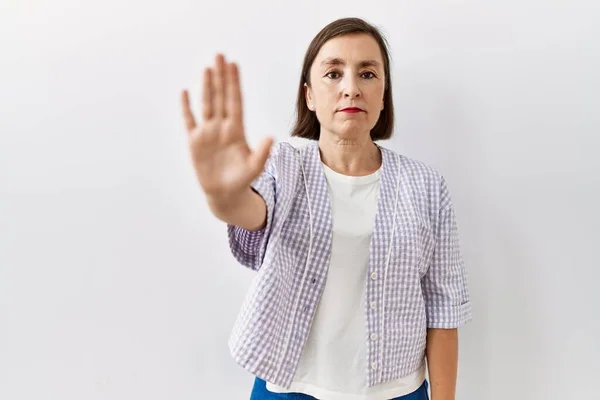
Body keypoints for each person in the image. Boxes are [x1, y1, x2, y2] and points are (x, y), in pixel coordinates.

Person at [181, 17, 471, 400]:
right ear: (310, 96)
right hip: (289, 389)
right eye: (333, 74)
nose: (351, 88)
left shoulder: (426, 186)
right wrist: (222, 195)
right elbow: (252, 213)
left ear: (383, 94)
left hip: (397, 391)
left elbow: (443, 309)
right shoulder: (283, 167)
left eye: (367, 74)